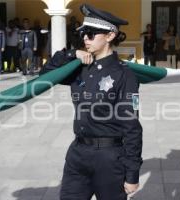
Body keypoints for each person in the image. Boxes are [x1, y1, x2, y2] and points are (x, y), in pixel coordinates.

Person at [40, 4, 143, 200]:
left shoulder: (124, 75)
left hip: (109, 158)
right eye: (83, 34)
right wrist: (71, 54)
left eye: (91, 34)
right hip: (77, 155)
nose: (85, 39)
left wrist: (132, 173)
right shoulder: (79, 67)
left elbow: (132, 126)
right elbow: (44, 75)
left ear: (110, 36)